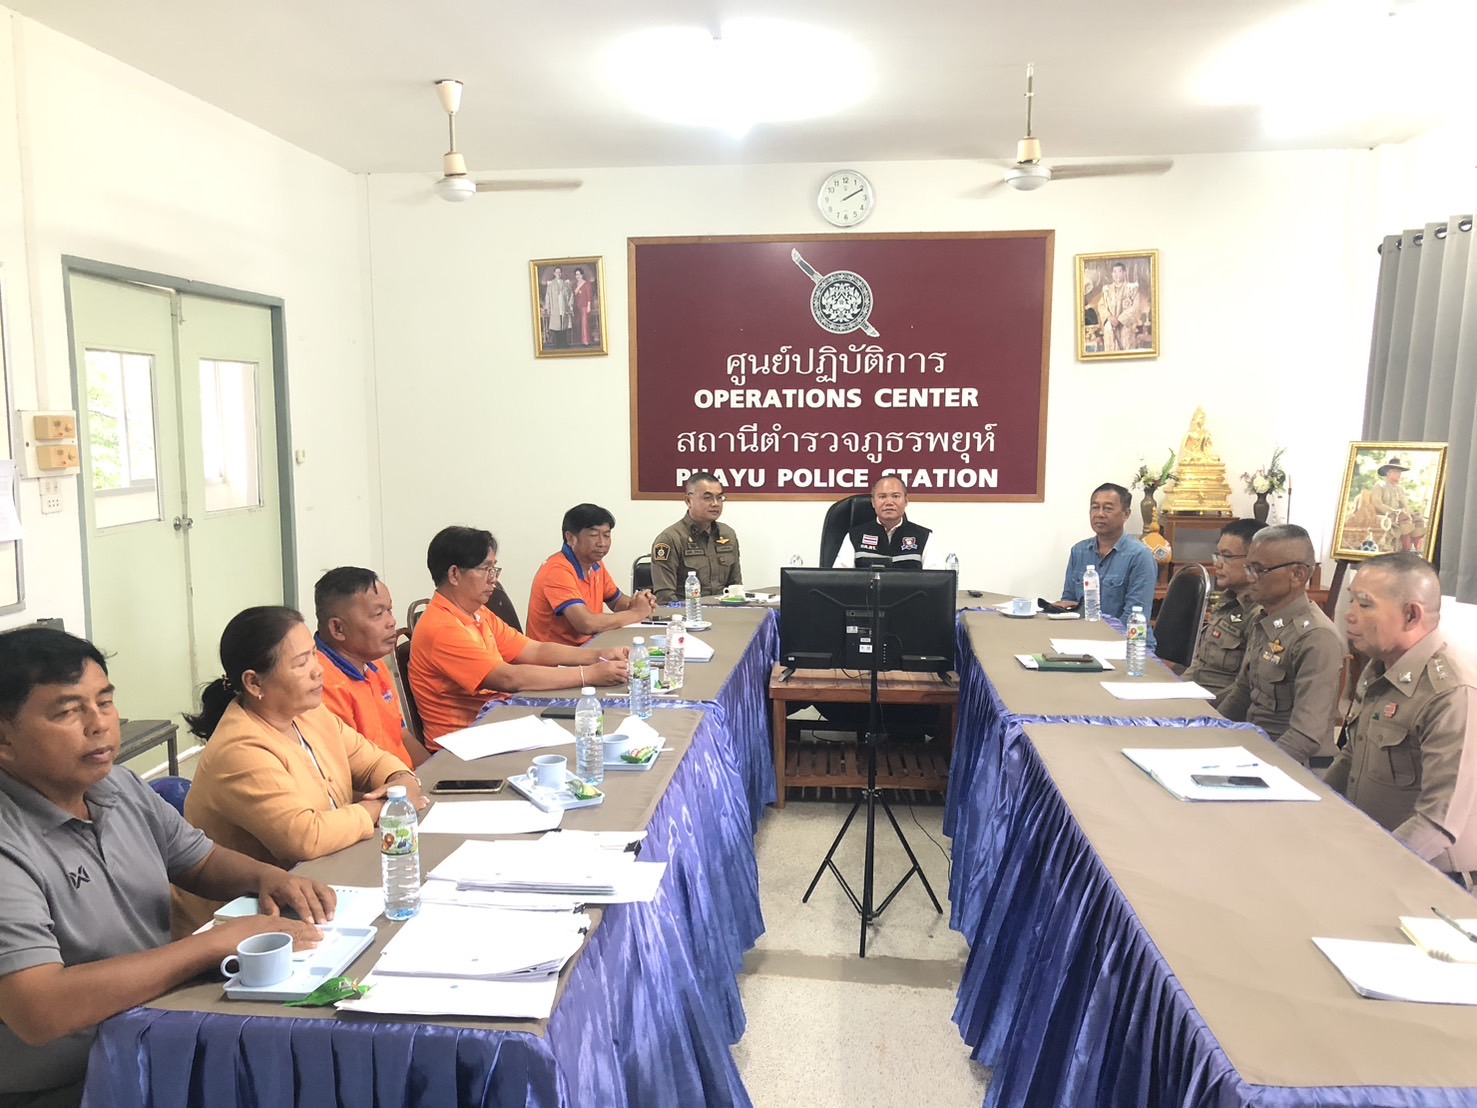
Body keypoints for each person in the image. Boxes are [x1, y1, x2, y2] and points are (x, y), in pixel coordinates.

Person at [0, 627, 332, 1106]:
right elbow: (40, 1008)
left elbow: (200, 860)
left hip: (155, 1036)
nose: (99, 724)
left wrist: (269, 877)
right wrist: (210, 946)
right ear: (4, 738)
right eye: (68, 712)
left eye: (104, 702)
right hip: (70, 1083)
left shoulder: (117, 786)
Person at [173, 606, 426, 934]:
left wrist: (400, 779)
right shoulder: (239, 748)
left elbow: (376, 761)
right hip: (238, 926)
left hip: (316, 887)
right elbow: (306, 837)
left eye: (314, 655)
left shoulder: (309, 713)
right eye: (301, 663)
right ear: (254, 682)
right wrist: (384, 806)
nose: (318, 670)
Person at [1324, 553, 1477, 877]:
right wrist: (1314, 811)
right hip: (1371, 846)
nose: (1349, 615)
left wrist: (1367, 871)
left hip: (1430, 874)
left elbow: (1437, 823)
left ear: (1411, 615)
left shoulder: (1451, 693)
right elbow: (1351, 757)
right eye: (1352, 601)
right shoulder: (1379, 667)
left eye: (1365, 604)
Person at [410, 526, 630, 744]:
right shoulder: (441, 628)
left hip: (496, 721)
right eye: (486, 569)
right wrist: (589, 675)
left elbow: (534, 650)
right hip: (463, 741)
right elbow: (508, 678)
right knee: (585, 737)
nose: (493, 579)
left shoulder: (477, 612)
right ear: (454, 574)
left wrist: (600, 655)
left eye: (494, 569)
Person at [1216, 524, 1343, 765]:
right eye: (1248, 568)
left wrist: (1255, 769)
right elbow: (1242, 693)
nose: (1250, 577)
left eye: (1259, 570)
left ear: (1297, 575)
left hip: (1295, 765)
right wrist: (1208, 731)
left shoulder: (1316, 637)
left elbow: (1305, 737)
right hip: (1256, 747)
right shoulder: (1264, 619)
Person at [313, 567, 428, 769]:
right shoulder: (319, 685)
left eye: (389, 610)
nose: (391, 622)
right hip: (384, 785)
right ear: (338, 628)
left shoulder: (373, 664)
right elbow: (349, 774)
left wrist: (438, 775)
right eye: (378, 614)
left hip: (407, 779)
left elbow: (401, 735)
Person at [527, 504, 657, 647]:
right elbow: (586, 624)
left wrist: (640, 602)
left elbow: (616, 602)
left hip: (588, 647)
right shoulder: (557, 570)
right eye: (594, 535)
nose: (602, 543)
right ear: (571, 538)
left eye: (606, 535)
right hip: (555, 656)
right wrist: (637, 613)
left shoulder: (596, 565)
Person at [1058, 483, 1158, 648]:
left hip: (1130, 646)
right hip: (1084, 641)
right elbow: (1068, 602)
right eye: (1095, 507)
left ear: (1126, 514)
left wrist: (1098, 642)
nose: (1100, 514)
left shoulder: (1140, 556)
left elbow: (1134, 616)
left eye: (1108, 509)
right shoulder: (1079, 551)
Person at [1179, 518, 1267, 695]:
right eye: (1217, 555)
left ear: (1254, 561)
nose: (1217, 563)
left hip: (1216, 704)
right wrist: (1176, 690)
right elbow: (1199, 665)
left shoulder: (1260, 613)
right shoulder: (1227, 601)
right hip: (1193, 695)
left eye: (1227, 556)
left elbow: (1243, 689)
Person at [650, 472, 743, 604]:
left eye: (719, 498)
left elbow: (735, 587)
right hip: (687, 614)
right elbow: (665, 598)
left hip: (724, 612)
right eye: (707, 498)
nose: (715, 504)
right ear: (688, 501)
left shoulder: (728, 534)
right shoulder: (670, 539)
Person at [832, 474, 946, 569]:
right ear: (873, 502)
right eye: (882, 497)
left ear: (906, 501)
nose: (889, 502)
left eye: (895, 496)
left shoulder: (924, 537)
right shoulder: (854, 536)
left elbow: (936, 581)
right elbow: (839, 580)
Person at [1370, 456, 1426, 553]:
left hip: (1401, 516)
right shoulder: (1380, 485)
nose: (1400, 475)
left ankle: (1416, 548)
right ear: (1389, 473)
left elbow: (1404, 505)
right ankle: (1406, 550)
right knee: (1405, 522)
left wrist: (1411, 513)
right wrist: (1394, 512)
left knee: (1419, 521)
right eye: (1397, 472)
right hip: (1387, 516)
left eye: (1400, 472)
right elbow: (1377, 503)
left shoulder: (1399, 489)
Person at [1096, 261, 1139, 353]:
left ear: (1124, 273)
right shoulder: (1107, 290)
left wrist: (1119, 320)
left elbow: (1135, 307)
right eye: (1114, 271)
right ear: (1112, 274)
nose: (1117, 274)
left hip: (1125, 329)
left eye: (1119, 271)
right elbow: (1101, 305)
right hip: (1110, 329)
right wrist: (1109, 317)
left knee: (1127, 354)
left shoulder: (1131, 289)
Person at [543, 266, 573, 349]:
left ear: (561, 273)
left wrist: (570, 305)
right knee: (556, 326)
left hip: (564, 308)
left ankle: (564, 343)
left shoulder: (566, 284)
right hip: (555, 308)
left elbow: (571, 294)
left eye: (559, 272)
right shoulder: (551, 285)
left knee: (564, 326)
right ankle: (558, 344)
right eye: (556, 272)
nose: (558, 274)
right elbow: (547, 296)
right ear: (554, 273)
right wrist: (548, 307)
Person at [573, 267, 596, 347]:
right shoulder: (575, 285)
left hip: (585, 306)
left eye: (579, 274)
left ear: (582, 275)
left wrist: (589, 306)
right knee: (578, 324)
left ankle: (586, 341)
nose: (578, 276)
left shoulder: (587, 284)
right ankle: (581, 340)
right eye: (576, 275)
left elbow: (589, 296)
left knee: (584, 324)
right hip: (577, 306)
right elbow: (574, 293)